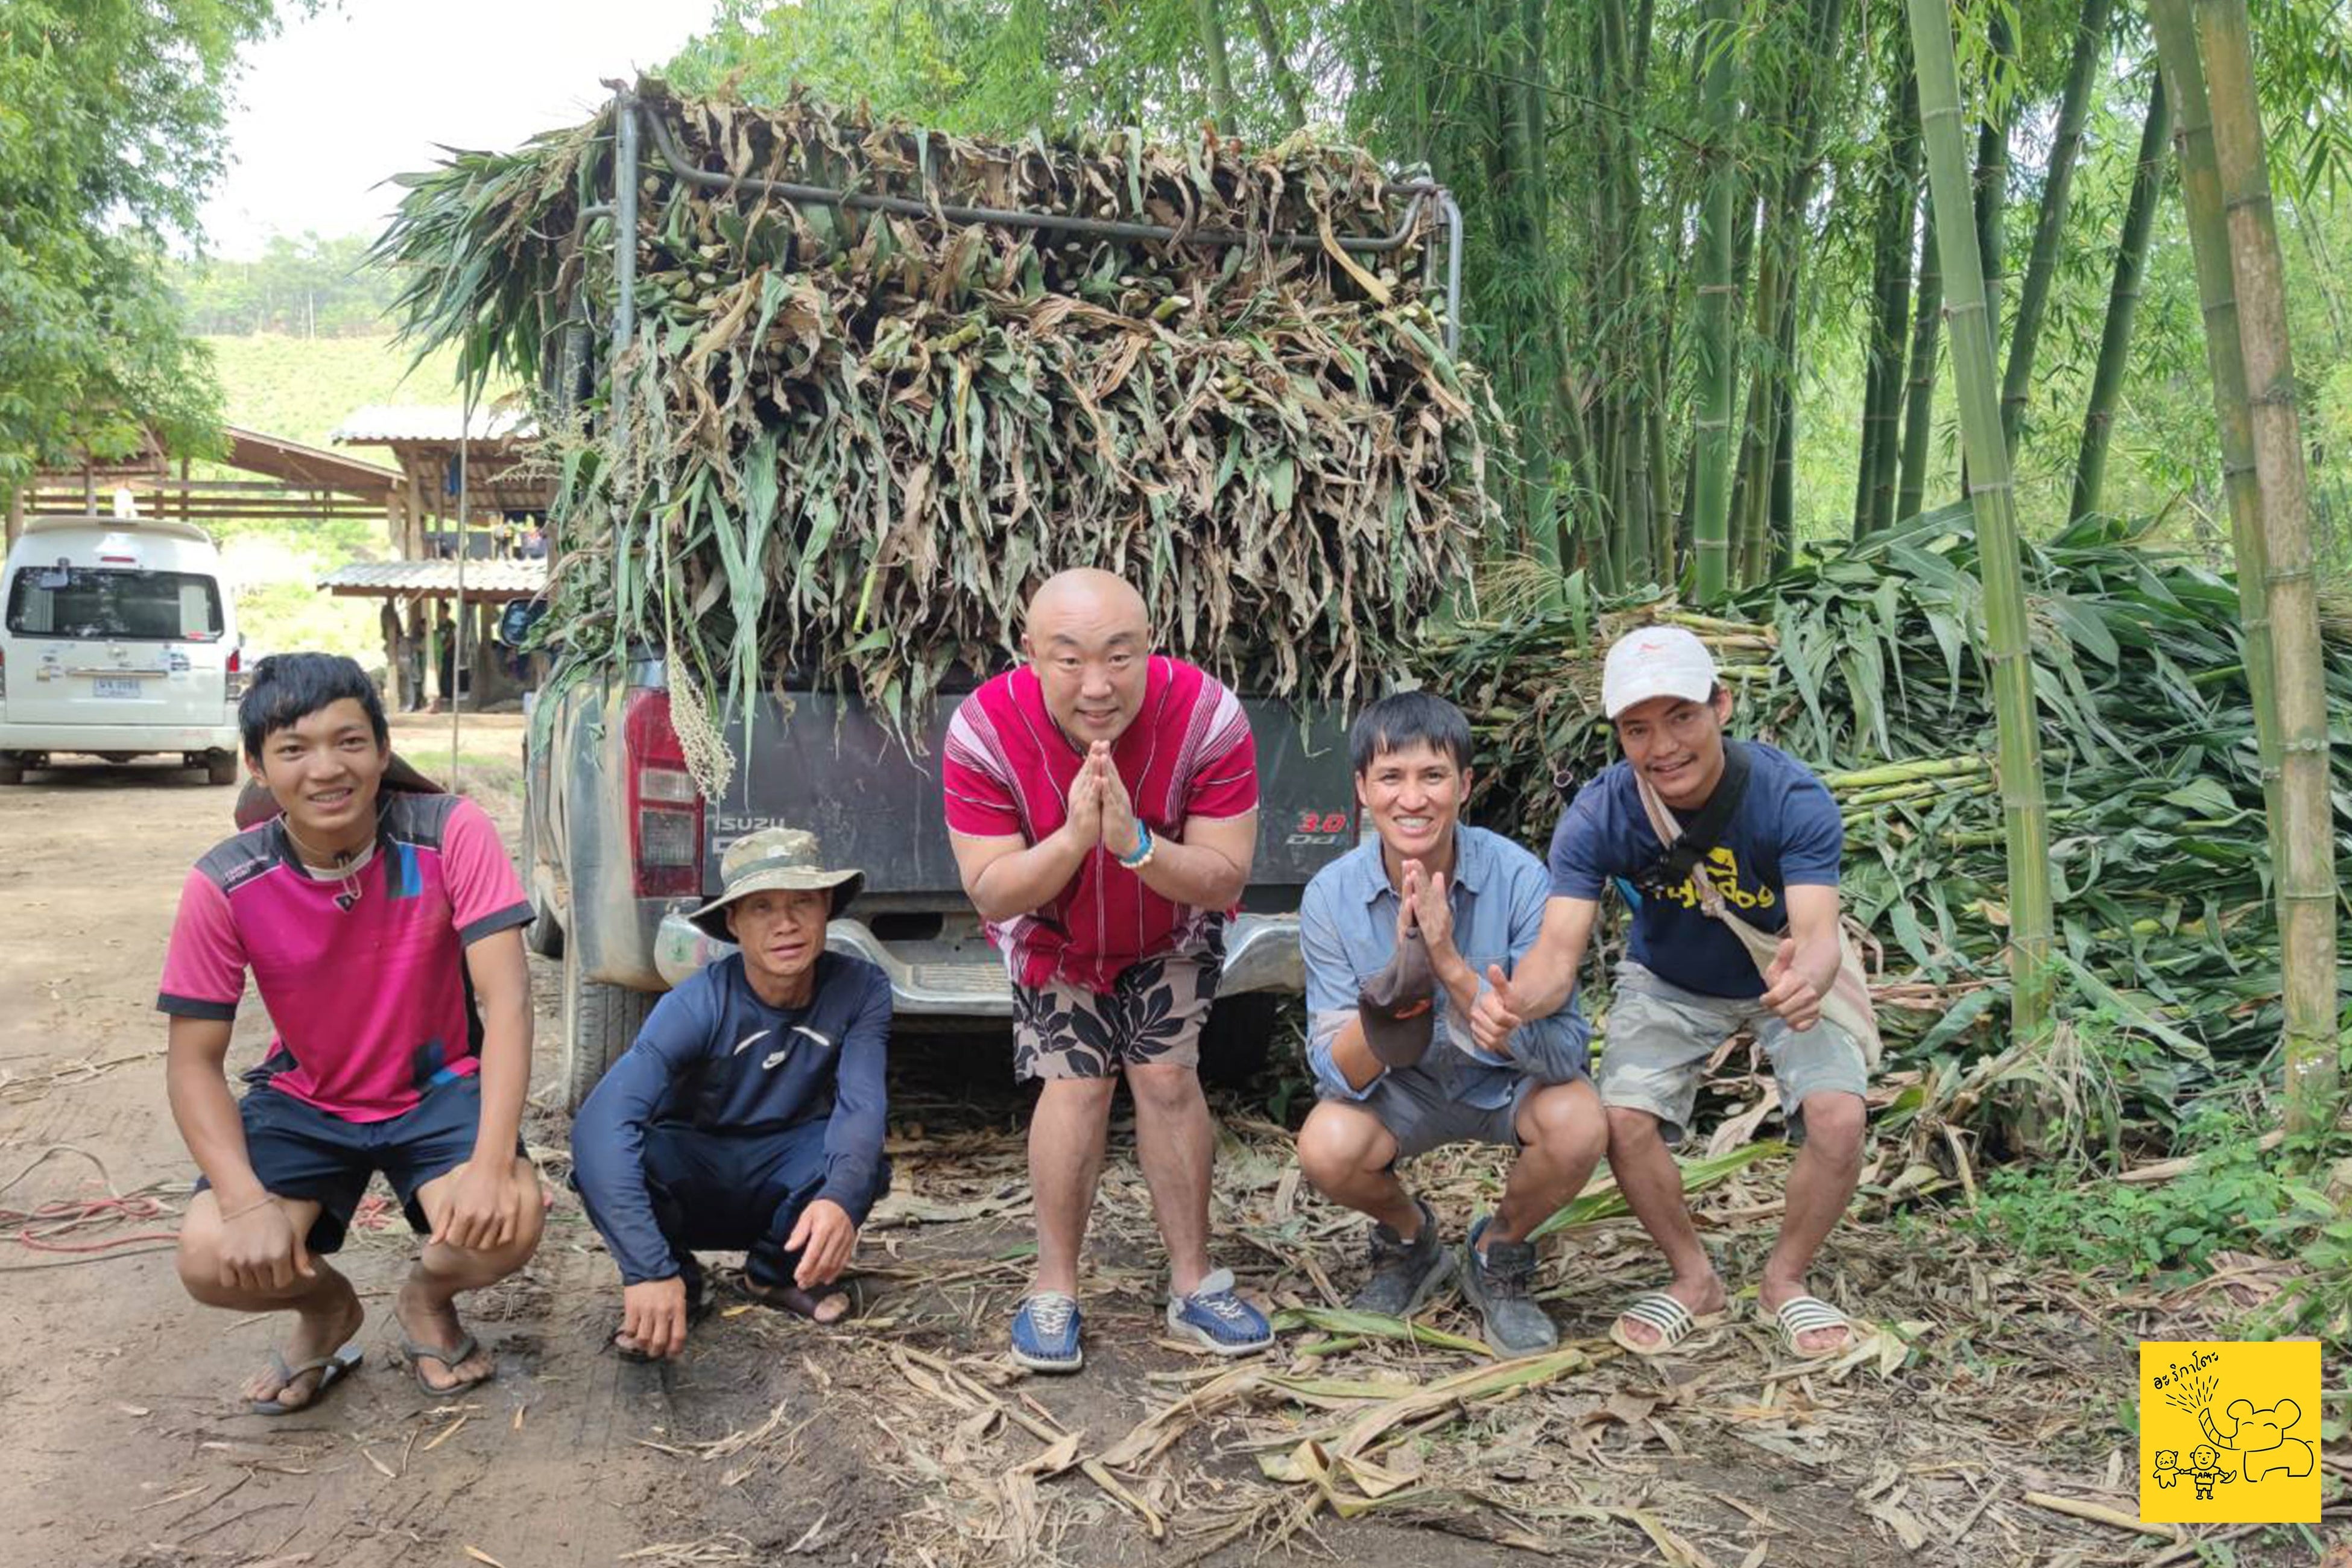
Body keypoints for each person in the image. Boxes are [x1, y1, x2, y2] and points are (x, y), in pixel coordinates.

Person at [1473, 627, 1871, 1359]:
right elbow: (1557, 954)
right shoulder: (1599, 814)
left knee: (1838, 1117)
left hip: (1781, 975)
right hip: (1669, 978)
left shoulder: (1791, 796)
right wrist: (1513, 1001)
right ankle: (1695, 1279)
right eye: (1637, 728)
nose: (1663, 745)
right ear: (1619, 735)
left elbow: (1817, 930)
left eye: (1681, 716)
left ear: (1722, 705)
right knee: (1623, 1119)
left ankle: (1785, 1279)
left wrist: (1807, 980)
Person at [161, 653, 543, 1414]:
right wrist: (242, 1201)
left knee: (510, 1219)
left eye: (349, 741)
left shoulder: (448, 832)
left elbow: (507, 1001)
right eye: (294, 749)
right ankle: (327, 1308)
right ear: (257, 766)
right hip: (309, 1097)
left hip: (435, 1088)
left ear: (382, 746)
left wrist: (493, 1162)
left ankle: (427, 1297)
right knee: (209, 1255)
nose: (326, 768)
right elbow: (193, 1062)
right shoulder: (225, 881)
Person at [942, 567, 1271, 1371]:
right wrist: (1073, 839)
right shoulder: (983, 731)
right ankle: (1054, 1287)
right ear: (1028, 654)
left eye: (1120, 657)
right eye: (1070, 660)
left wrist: (1136, 845)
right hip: (1050, 930)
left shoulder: (1206, 716)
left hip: (1169, 925)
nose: (1098, 685)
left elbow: (1224, 878)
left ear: (1151, 648)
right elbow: (990, 888)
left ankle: (1195, 1283)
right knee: (1079, 1083)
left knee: (1164, 1076)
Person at [1295, 693, 1607, 1355]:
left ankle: (1500, 1250)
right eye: (1391, 777)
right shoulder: (1330, 896)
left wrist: (1451, 966)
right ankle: (1412, 1241)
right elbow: (1333, 1071)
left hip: (1504, 1085)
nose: (1413, 799)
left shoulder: (1521, 878)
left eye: (1432, 776)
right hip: (1402, 1091)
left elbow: (1565, 1052)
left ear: (1465, 785)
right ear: (1361, 790)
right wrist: (1401, 980)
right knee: (1326, 1144)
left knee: (1579, 1119)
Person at [570, 829, 891, 1359]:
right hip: (694, 1175)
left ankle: (772, 1275)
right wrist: (646, 1267)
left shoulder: (861, 988)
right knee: (614, 1158)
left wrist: (841, 1197)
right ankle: (676, 1282)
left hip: (786, 1176)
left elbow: (863, 1106)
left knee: (860, 1159)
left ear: (826, 907)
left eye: (802, 903)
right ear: (734, 923)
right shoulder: (698, 1002)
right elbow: (599, 1126)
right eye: (762, 907)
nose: (785, 924)